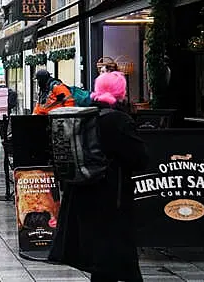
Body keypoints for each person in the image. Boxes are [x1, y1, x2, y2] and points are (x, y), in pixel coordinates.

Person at [49, 71, 148, 282]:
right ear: (120, 92)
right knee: (121, 254)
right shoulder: (118, 120)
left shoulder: (86, 116)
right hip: (112, 196)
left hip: (84, 193)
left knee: (101, 260)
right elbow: (140, 158)